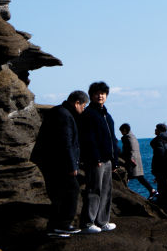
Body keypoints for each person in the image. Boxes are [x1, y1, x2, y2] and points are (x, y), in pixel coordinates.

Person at [30, 90, 88, 236]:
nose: (83, 109)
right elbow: (65, 142)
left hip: (51, 161)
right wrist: (71, 165)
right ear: (77, 103)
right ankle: (62, 224)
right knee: (71, 190)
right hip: (57, 163)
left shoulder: (60, 112)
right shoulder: (64, 115)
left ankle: (55, 226)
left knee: (59, 193)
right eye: (83, 106)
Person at [77, 81, 120, 234]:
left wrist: (115, 160)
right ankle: (88, 222)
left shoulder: (107, 115)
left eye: (103, 93)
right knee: (94, 189)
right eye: (97, 93)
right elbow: (88, 139)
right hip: (96, 160)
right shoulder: (89, 114)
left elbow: (113, 139)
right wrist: (95, 158)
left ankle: (102, 221)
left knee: (107, 190)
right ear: (91, 96)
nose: (100, 96)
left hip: (108, 159)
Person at [119, 123, 155, 198]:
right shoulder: (133, 137)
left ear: (125, 130)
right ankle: (152, 190)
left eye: (121, 131)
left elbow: (128, 150)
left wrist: (126, 157)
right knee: (140, 177)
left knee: (126, 175)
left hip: (131, 160)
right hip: (137, 159)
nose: (121, 133)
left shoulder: (126, 137)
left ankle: (124, 191)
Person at [150, 123, 167, 209]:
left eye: (156, 129)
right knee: (165, 186)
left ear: (159, 130)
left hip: (161, 167)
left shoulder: (159, 141)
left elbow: (159, 156)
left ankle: (164, 204)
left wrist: (155, 168)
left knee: (162, 186)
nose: (155, 130)